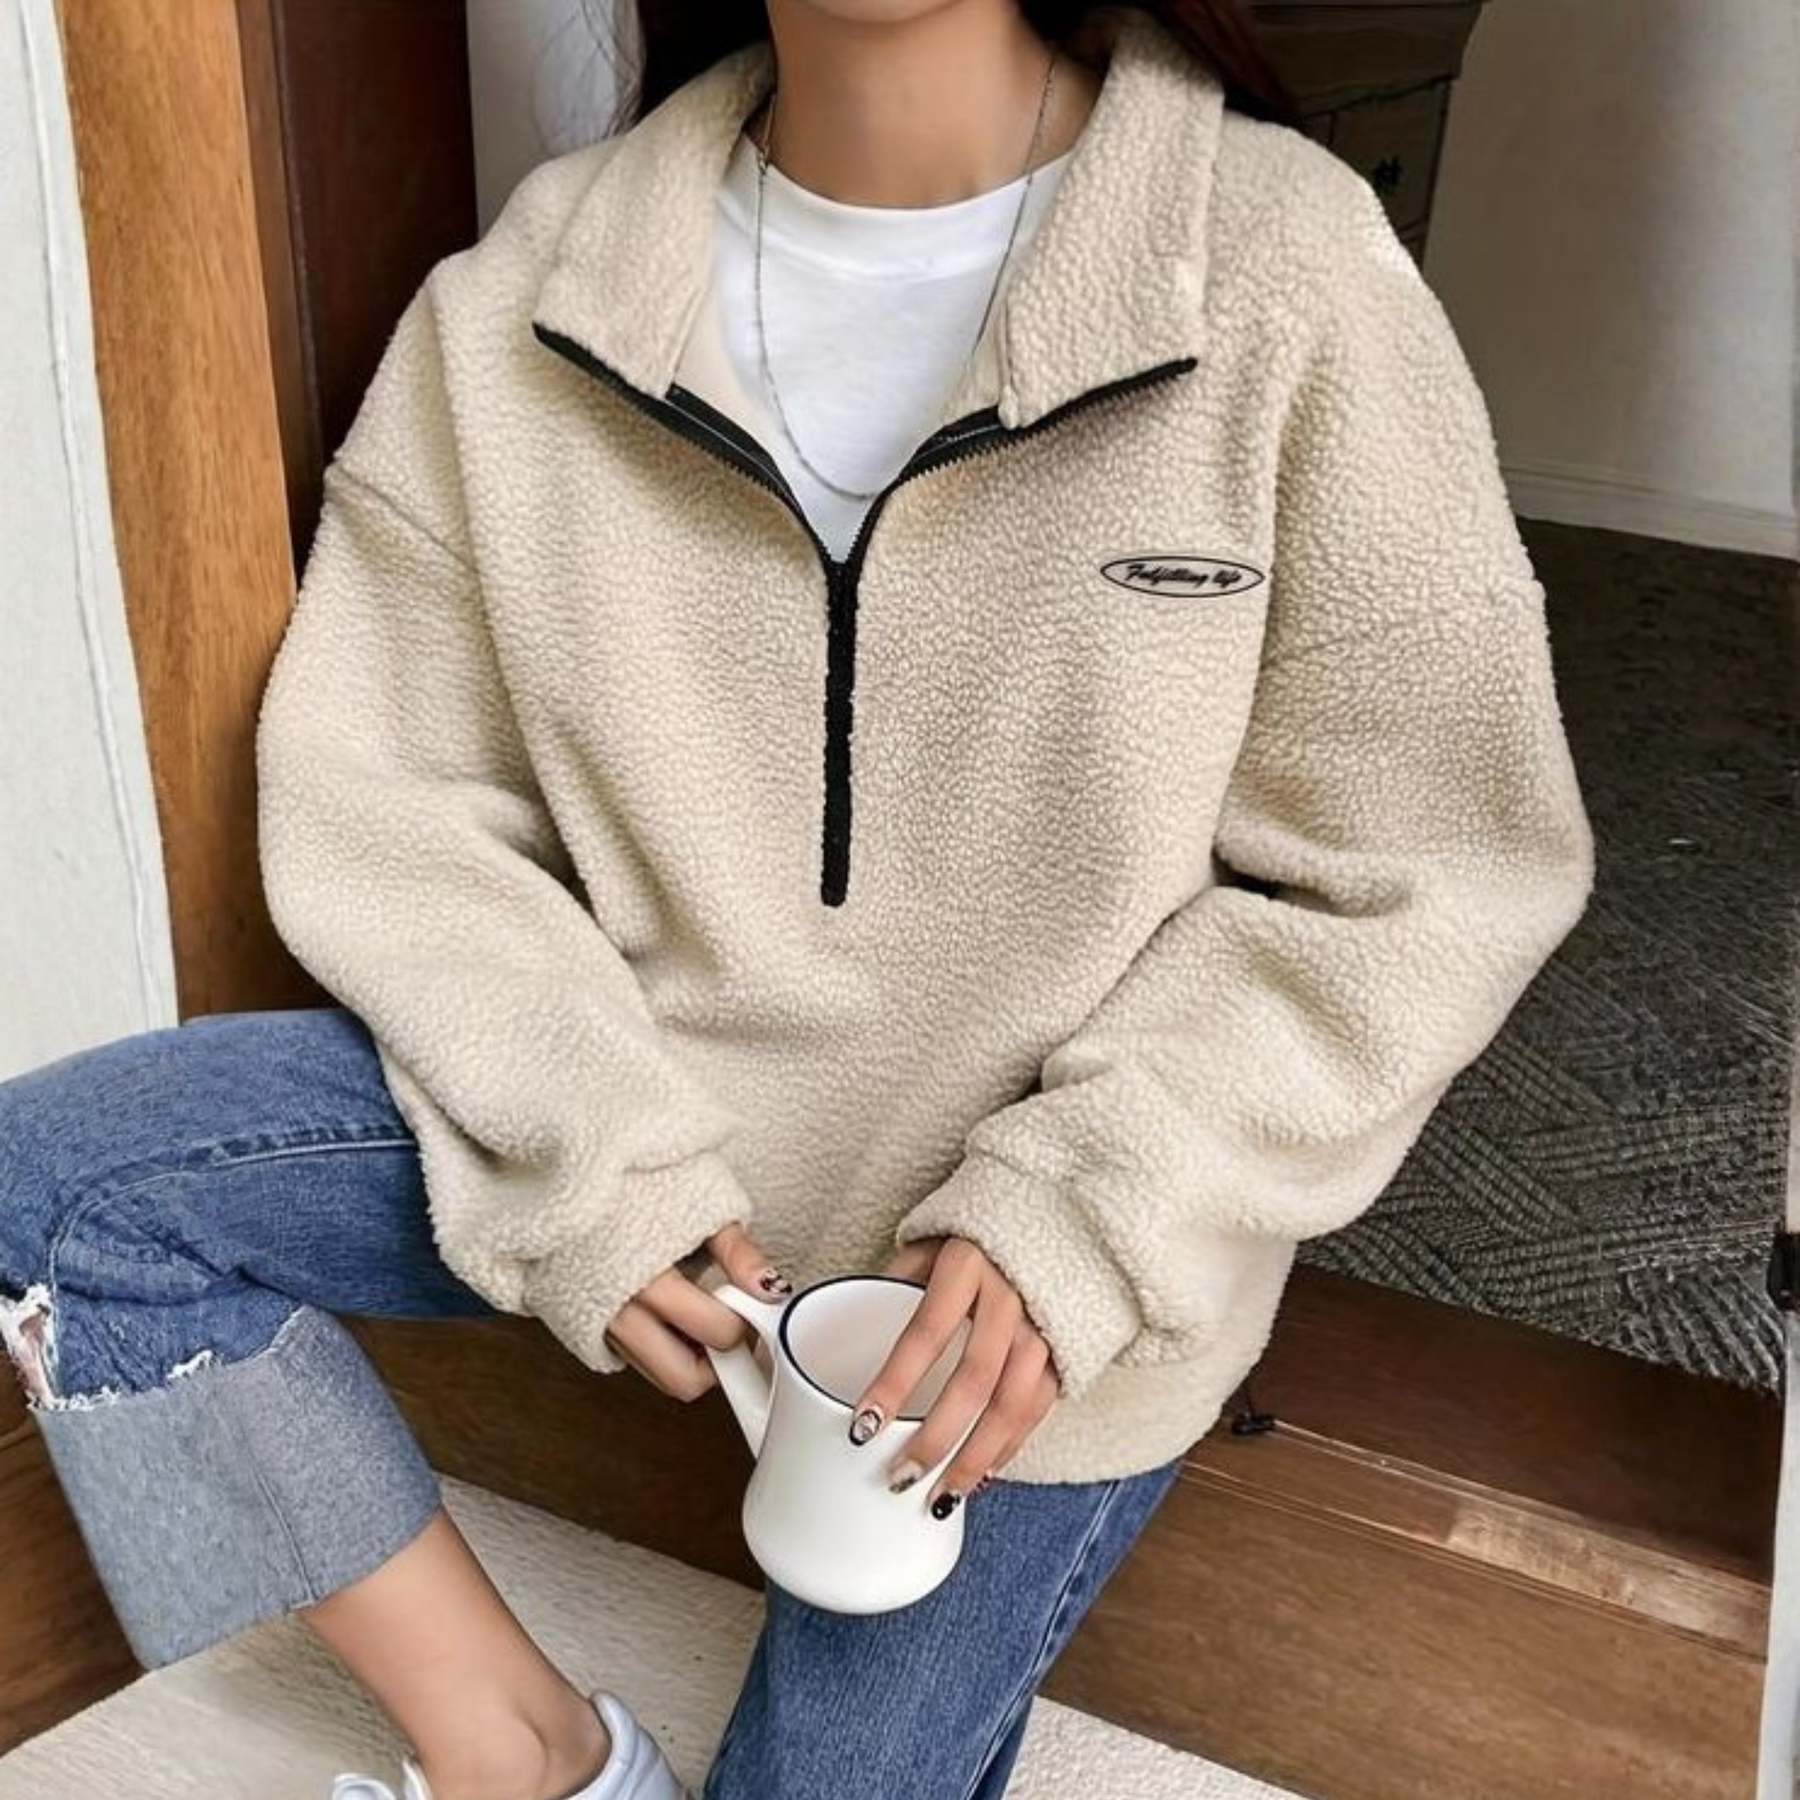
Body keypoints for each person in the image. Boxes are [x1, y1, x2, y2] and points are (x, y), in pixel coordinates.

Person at [0, 2, 1597, 1797]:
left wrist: (1083, 1217)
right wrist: (597, 1153)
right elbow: (393, 808)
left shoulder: (1286, 267)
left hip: (1007, 1294)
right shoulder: (525, 296)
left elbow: (1429, 870)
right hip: (635, 1115)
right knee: (59, 1192)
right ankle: (524, 1754)